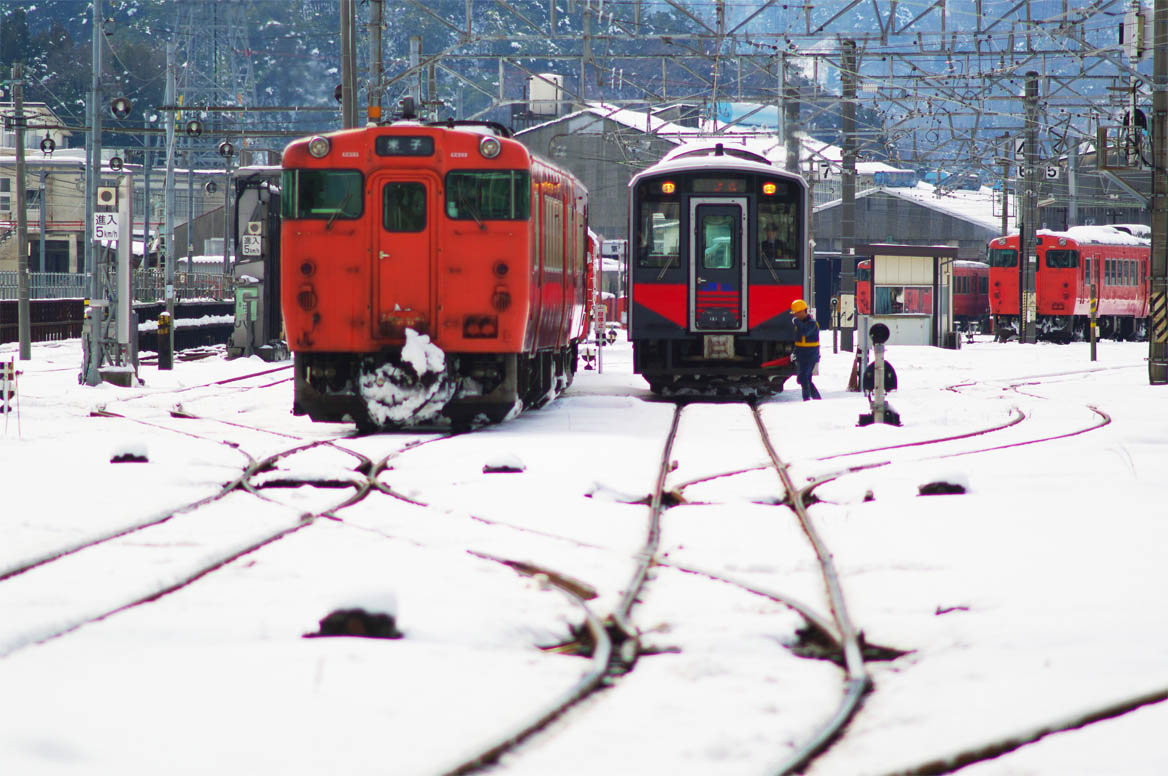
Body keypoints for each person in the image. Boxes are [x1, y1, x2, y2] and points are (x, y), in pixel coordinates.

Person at [790, 299, 821, 401]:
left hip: (810, 355)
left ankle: (807, 398)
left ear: (803, 311)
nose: (795, 316)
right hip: (801, 354)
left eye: (797, 313)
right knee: (804, 378)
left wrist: (796, 322)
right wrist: (794, 352)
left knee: (804, 377)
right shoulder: (799, 324)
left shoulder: (812, 323)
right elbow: (798, 340)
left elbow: (804, 332)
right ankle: (815, 398)